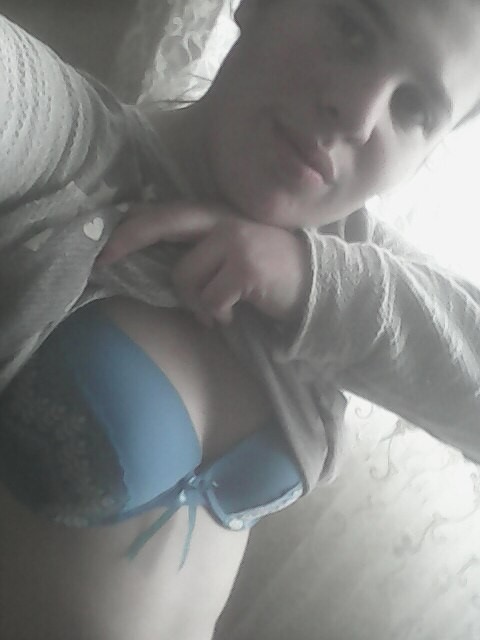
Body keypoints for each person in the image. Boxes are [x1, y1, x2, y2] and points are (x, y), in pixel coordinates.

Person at [1, 1, 480, 638]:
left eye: (414, 106)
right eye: (352, 28)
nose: (359, 115)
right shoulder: (71, 150)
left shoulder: (344, 255)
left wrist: (306, 280)